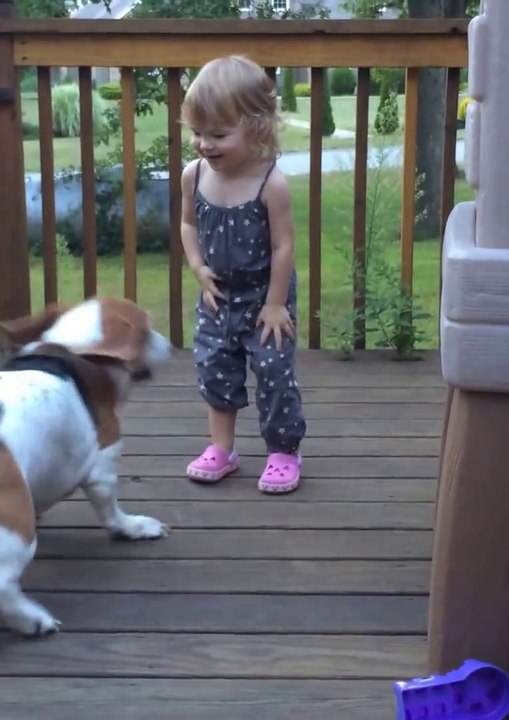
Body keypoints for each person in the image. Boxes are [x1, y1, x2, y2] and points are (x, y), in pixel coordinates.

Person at [178, 56, 307, 494]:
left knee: (272, 370)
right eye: (197, 132)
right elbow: (188, 225)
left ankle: (283, 451)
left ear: (255, 127)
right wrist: (197, 266)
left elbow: (282, 246)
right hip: (218, 298)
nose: (204, 145)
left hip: (265, 298)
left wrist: (274, 304)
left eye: (218, 134)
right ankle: (222, 448)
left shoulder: (270, 183)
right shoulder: (193, 176)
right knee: (215, 368)